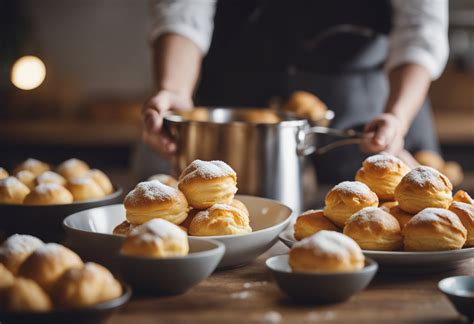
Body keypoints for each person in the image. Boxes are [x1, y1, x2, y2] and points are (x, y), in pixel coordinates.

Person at [139, 0, 448, 183]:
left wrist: (397, 115)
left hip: (370, 103)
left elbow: (421, 29)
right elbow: (183, 11)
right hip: (233, 109)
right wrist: (174, 89)